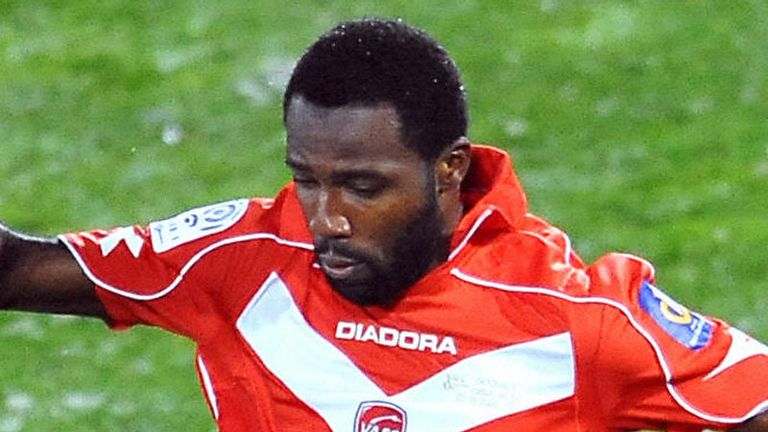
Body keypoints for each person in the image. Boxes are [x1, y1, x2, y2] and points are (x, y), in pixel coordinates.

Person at [0, 17, 767, 432]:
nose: (327, 218)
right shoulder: (239, 259)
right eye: (307, 180)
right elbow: (16, 270)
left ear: (449, 168)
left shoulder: (583, 322)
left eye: (364, 187)